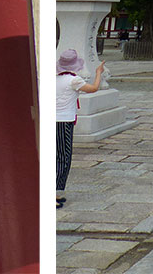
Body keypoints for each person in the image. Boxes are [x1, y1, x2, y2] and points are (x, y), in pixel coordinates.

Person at [54, 49, 109, 209]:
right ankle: (53, 192)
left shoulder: (55, 79)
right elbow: (93, 88)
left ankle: (55, 192)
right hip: (64, 120)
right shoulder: (73, 80)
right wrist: (98, 73)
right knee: (63, 157)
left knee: (55, 155)